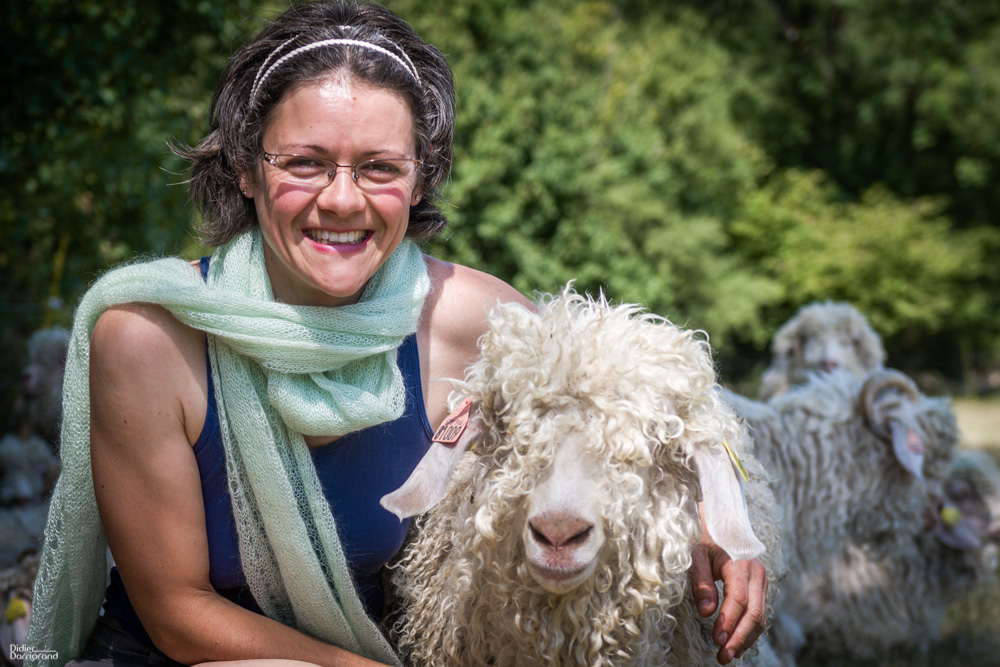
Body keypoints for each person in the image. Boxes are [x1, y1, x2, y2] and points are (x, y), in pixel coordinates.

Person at [26, 2, 767, 666]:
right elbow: (180, 615)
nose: (342, 200)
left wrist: (715, 515)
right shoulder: (151, 336)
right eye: (306, 163)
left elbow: (641, 384)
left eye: (380, 168)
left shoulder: (464, 317)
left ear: (419, 181)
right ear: (247, 170)